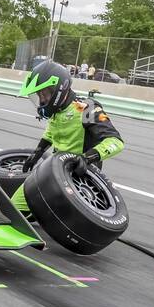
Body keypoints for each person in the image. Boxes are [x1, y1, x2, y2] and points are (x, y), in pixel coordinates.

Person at [13, 59, 124, 217]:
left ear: (58, 88)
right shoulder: (57, 111)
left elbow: (115, 141)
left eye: (44, 94)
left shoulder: (86, 109)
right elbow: (50, 134)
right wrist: (34, 155)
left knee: (58, 217)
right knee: (13, 207)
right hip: (55, 171)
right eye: (39, 95)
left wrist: (86, 158)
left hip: (80, 176)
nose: (42, 100)